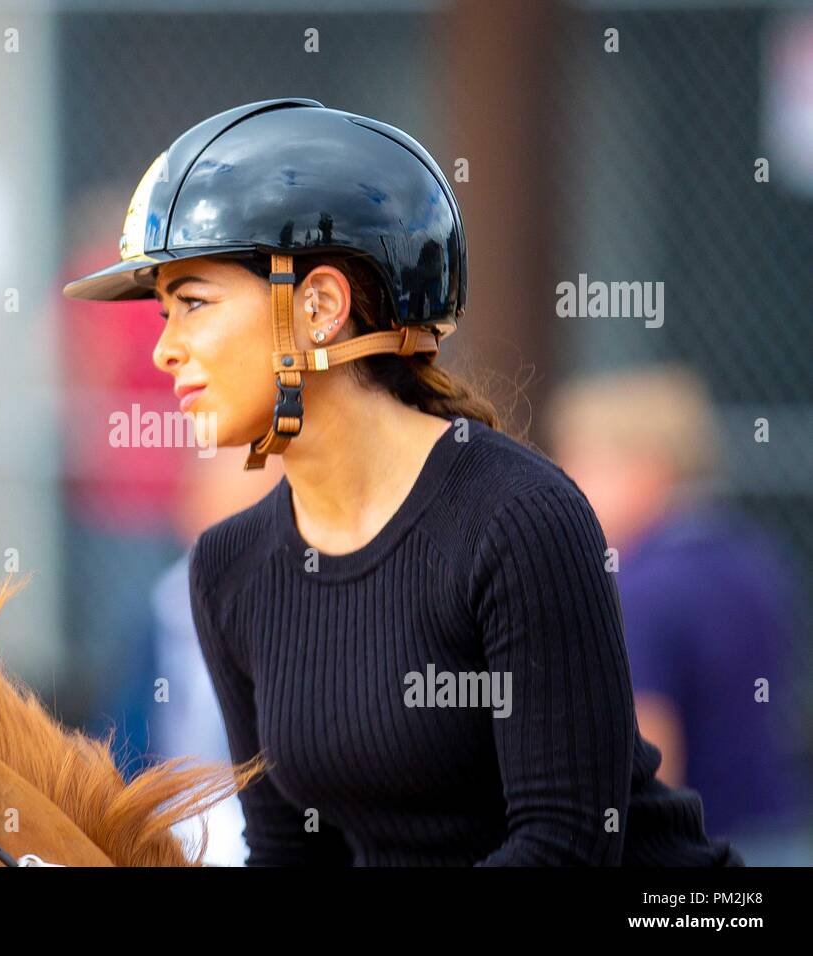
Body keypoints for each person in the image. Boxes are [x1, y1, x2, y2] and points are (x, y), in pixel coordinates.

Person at [63, 98, 742, 865]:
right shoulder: (228, 566)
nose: (164, 351)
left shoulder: (519, 517)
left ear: (319, 306)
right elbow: (289, 854)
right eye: (161, 314)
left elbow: (564, 849)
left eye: (191, 304)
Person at [550, 366, 812, 865]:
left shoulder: (643, 589)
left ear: (649, 470)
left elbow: (656, 776)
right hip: (784, 836)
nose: (566, 482)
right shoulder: (756, 557)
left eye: (584, 462)